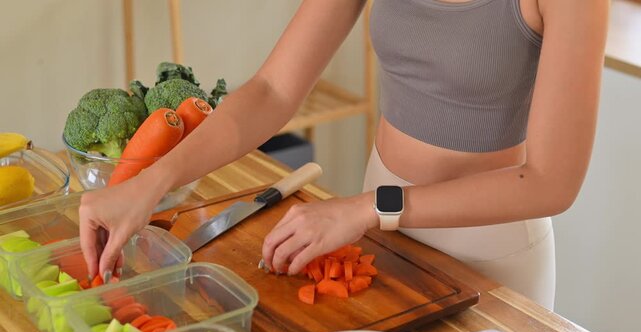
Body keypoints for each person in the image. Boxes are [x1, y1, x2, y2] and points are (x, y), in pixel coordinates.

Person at [79, 0, 609, 310]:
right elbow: (272, 90)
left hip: (489, 249)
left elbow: (550, 182)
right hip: (377, 225)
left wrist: (365, 208)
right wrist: (150, 181)